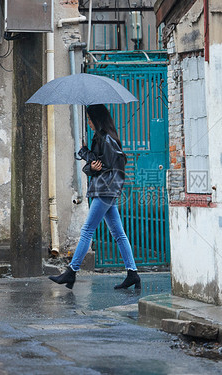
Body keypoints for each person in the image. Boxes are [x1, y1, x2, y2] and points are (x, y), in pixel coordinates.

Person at [49, 104, 140, 290]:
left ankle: (71, 272)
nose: (89, 122)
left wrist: (90, 164)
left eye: (90, 119)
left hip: (105, 190)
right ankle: (133, 274)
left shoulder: (107, 140)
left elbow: (115, 163)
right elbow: (98, 164)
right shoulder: (101, 138)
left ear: (98, 120)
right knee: (118, 233)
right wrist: (86, 156)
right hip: (105, 189)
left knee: (87, 230)